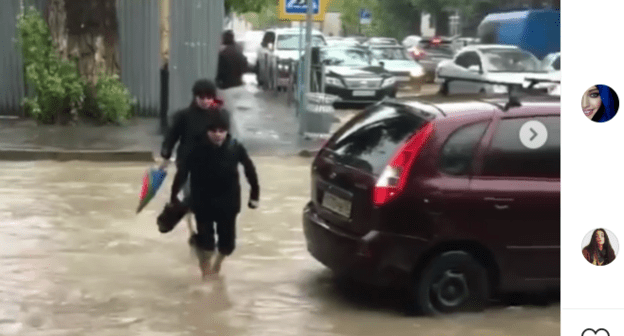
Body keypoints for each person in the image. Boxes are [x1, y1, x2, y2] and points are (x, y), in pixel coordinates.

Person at [172, 110, 259, 280]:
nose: (218, 135)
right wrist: (173, 196)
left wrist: (255, 194)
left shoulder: (235, 147)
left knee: (227, 245)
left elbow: (249, 169)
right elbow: (182, 173)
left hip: (228, 203)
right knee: (207, 244)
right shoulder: (195, 148)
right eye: (214, 131)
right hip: (202, 202)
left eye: (222, 131)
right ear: (207, 131)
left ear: (227, 130)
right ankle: (205, 267)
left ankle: (217, 265)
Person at [160, 79, 228, 209]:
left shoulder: (219, 115)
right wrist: (165, 157)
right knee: (186, 188)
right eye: (201, 97)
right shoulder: (183, 116)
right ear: (195, 97)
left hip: (209, 160)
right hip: (187, 159)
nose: (205, 101)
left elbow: (226, 137)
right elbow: (172, 137)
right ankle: (176, 202)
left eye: (209, 97)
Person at [216, 30, 249, 126]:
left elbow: (219, 72)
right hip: (238, 85)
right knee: (234, 113)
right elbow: (245, 67)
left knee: (228, 113)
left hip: (227, 87)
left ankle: (234, 135)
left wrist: (217, 82)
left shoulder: (223, 53)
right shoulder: (238, 51)